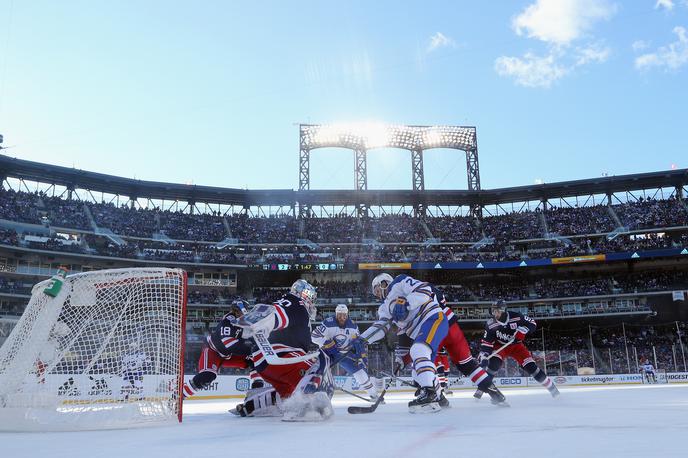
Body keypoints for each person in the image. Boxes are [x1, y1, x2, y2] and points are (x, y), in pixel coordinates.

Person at [233, 279, 334, 421]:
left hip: (266, 363)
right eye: (309, 294)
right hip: (280, 356)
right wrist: (262, 323)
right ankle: (310, 407)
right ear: (300, 292)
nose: (311, 300)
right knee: (319, 362)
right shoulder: (296, 303)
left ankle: (251, 406)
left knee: (289, 397)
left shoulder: (291, 304)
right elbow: (278, 313)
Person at [361, 273, 448, 413]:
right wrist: (363, 339)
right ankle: (440, 398)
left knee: (418, 350)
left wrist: (407, 303)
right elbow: (381, 327)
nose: (377, 295)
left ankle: (429, 394)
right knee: (417, 372)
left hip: (431, 318)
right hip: (420, 330)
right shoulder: (384, 308)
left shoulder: (399, 282)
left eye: (376, 290)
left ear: (383, 283)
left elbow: (425, 290)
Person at [476, 300, 559, 398]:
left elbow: (532, 323)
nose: (495, 313)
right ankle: (482, 387)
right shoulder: (490, 324)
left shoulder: (516, 316)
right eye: (493, 311)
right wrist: (484, 355)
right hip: (500, 347)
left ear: (503, 310)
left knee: (532, 368)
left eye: (497, 311)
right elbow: (487, 343)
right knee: (493, 365)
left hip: (517, 347)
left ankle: (553, 389)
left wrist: (524, 329)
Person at [182, 300, 262, 399]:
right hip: (213, 351)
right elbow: (230, 345)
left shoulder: (244, 323)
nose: (245, 313)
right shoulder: (227, 322)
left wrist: (258, 345)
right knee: (207, 376)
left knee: (255, 360)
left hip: (228, 354)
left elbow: (252, 338)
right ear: (236, 311)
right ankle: (178, 397)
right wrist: (253, 349)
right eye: (242, 310)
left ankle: (256, 395)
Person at [311, 304, 379, 400]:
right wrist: (327, 343)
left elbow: (358, 343)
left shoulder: (353, 326)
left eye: (344, 315)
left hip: (345, 354)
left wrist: (361, 357)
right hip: (328, 353)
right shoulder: (328, 323)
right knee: (319, 369)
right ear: (336, 314)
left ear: (347, 315)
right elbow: (314, 337)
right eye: (339, 315)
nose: (342, 317)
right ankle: (311, 391)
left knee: (360, 372)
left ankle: (374, 395)